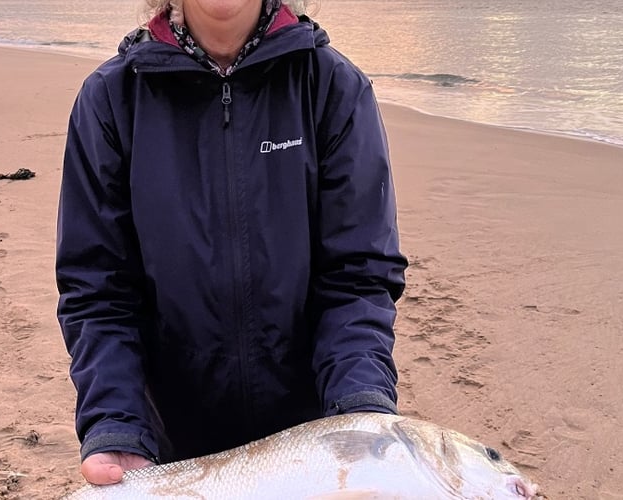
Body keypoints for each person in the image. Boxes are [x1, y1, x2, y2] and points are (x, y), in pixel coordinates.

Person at [56, 0, 408, 486]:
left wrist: (359, 409)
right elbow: (98, 290)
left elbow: (358, 278)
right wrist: (117, 424)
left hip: (310, 441)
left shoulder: (332, 87)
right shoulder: (111, 98)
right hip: (167, 448)